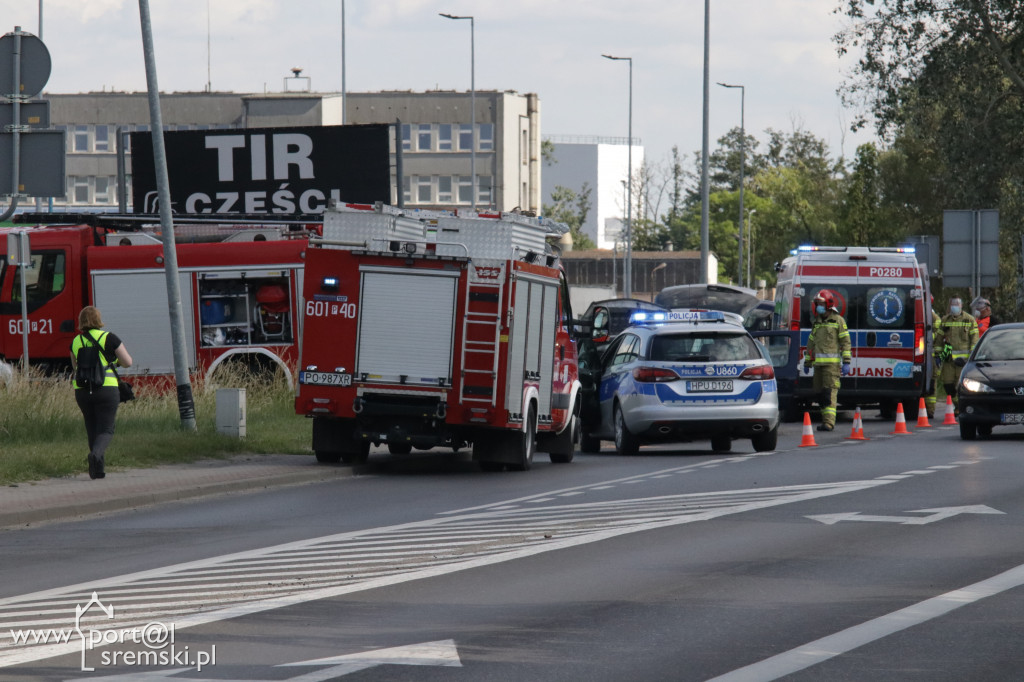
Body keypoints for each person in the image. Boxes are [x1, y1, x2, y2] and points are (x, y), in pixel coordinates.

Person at [70, 306, 132, 480]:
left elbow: (75, 368)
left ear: (81, 321)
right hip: (106, 389)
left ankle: (97, 471)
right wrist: (115, 363)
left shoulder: (75, 342)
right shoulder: (109, 338)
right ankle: (95, 455)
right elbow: (127, 362)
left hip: (82, 391)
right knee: (106, 430)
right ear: (98, 320)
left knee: (92, 428)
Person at [805, 290, 852, 432]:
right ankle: (825, 420)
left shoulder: (838, 321)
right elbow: (811, 343)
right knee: (819, 394)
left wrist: (847, 361)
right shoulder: (817, 322)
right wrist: (807, 361)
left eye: (821, 303)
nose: (818, 306)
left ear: (828, 304)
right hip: (818, 366)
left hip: (831, 367)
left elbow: (846, 342)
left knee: (829, 394)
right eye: (817, 303)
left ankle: (829, 423)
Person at [934, 296, 978, 415]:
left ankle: (960, 408)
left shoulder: (969, 320)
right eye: (952, 305)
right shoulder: (945, 320)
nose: (954, 307)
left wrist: (971, 358)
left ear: (961, 306)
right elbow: (939, 339)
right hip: (948, 359)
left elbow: (974, 340)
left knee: (960, 386)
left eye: (956, 305)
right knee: (947, 384)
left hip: (963, 362)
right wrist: (937, 355)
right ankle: (958, 405)